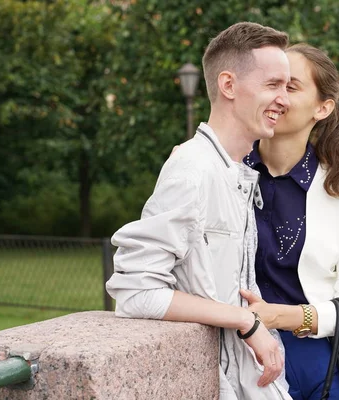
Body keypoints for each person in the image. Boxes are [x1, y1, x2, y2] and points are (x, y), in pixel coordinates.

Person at [105, 22, 293, 400]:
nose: (284, 100)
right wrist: (244, 320)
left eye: (287, 88)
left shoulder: (234, 170)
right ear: (228, 86)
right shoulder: (192, 169)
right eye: (273, 85)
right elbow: (136, 292)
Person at [241, 43, 339, 399]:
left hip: (334, 365)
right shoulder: (224, 172)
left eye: (290, 87)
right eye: (270, 84)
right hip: (248, 362)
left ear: (322, 108)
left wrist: (280, 317)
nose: (277, 96)